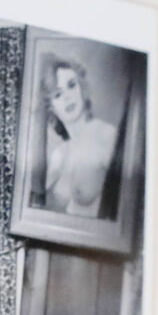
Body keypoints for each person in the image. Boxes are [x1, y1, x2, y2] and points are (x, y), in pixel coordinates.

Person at [40, 54, 119, 219]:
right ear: (51, 108)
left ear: (82, 87)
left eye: (71, 85)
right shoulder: (59, 154)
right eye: (58, 94)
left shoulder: (107, 136)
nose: (67, 97)